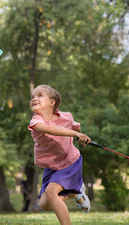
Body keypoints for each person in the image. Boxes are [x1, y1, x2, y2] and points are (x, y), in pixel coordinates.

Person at [28, 84, 91, 225]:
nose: (34, 98)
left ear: (52, 102)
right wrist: (76, 133)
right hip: (52, 167)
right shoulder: (36, 121)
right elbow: (51, 129)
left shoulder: (66, 117)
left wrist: (81, 136)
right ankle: (75, 193)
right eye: (32, 96)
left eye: (39, 95)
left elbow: (76, 126)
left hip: (70, 161)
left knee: (51, 193)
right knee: (45, 204)